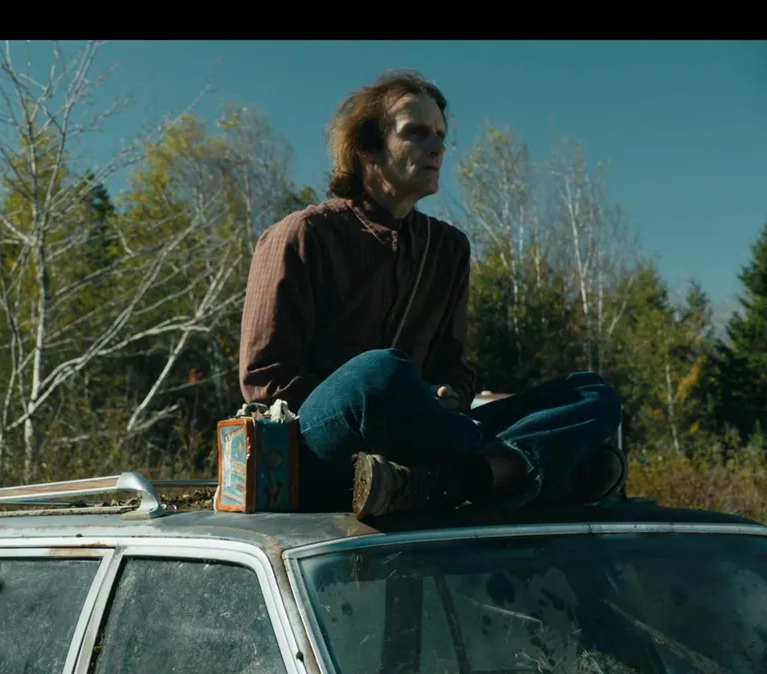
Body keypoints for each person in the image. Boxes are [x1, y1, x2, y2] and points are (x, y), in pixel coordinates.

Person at [237, 69, 625, 521]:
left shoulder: (449, 248)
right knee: (381, 373)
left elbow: (455, 370)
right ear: (366, 149)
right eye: (415, 133)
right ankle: (519, 469)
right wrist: (406, 398)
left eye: (441, 135)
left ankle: (457, 480)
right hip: (322, 445)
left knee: (592, 393)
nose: (436, 147)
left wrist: (450, 396)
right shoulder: (302, 235)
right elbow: (265, 381)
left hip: (432, 434)